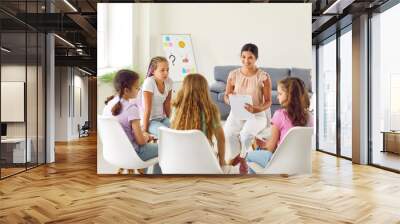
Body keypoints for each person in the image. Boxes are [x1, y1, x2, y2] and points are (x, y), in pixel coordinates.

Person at [246, 77, 313, 173]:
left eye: (280, 94)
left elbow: (270, 149)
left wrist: (260, 145)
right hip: (302, 165)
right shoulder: (311, 117)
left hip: (282, 164)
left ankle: (255, 183)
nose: (277, 97)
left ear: (290, 96)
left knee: (246, 156)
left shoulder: (280, 115)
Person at [223, 43, 272, 173]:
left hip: (257, 114)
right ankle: (241, 157)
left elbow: (268, 101)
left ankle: (242, 159)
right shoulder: (233, 74)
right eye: (243, 57)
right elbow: (226, 96)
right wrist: (231, 101)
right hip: (237, 112)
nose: (246, 60)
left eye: (250, 57)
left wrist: (256, 109)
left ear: (256, 58)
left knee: (245, 135)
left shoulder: (263, 76)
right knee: (228, 134)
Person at [103, 69, 161, 174]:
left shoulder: (108, 105)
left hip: (115, 153)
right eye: (136, 87)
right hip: (134, 153)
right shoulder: (131, 108)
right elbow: (141, 141)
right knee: (166, 148)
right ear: (126, 90)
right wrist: (146, 136)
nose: (139, 90)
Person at [171, 73, 226, 167]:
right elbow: (221, 139)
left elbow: (173, 128)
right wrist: (222, 162)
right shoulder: (211, 109)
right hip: (203, 158)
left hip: (180, 157)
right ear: (204, 90)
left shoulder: (177, 107)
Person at [141, 56, 173, 138]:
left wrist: (171, 120)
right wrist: (144, 131)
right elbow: (147, 109)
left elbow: (167, 105)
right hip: (150, 121)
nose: (166, 73)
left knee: (177, 130)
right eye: (162, 70)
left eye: (167, 69)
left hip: (162, 118)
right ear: (153, 71)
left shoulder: (169, 82)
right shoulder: (149, 82)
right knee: (167, 135)